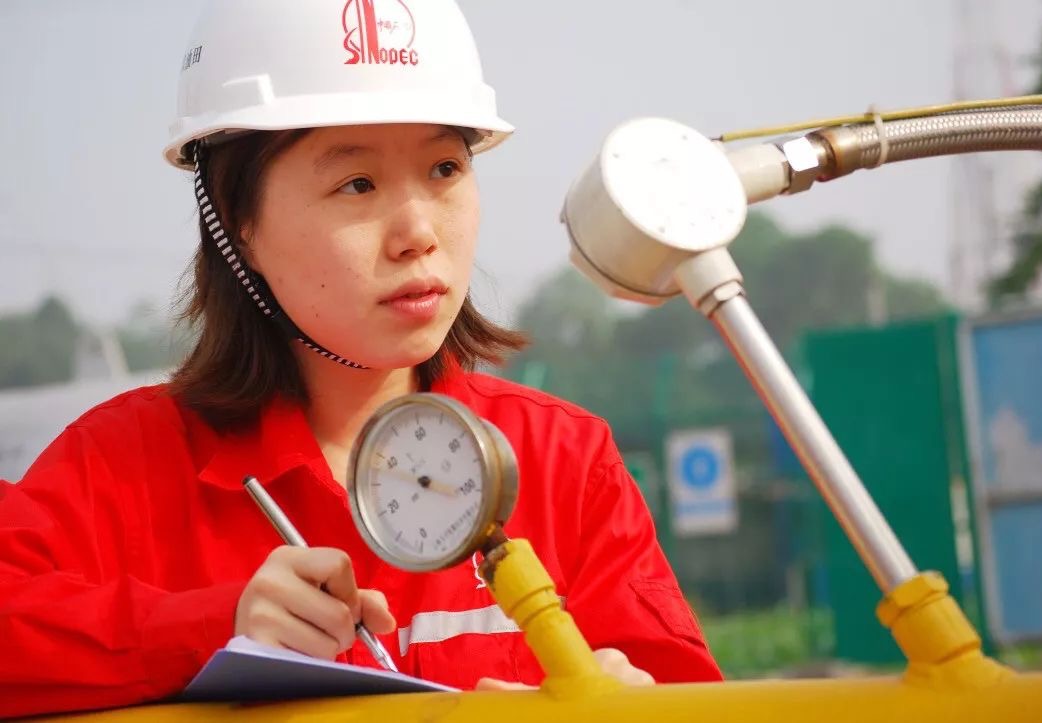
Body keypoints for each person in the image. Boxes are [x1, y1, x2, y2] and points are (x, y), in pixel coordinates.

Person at [0, 0, 722, 717]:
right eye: (358, 184)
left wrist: (644, 705)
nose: (418, 232)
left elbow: (696, 694)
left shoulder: (564, 461)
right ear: (236, 223)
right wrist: (209, 626)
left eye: (444, 167)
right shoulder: (121, 470)